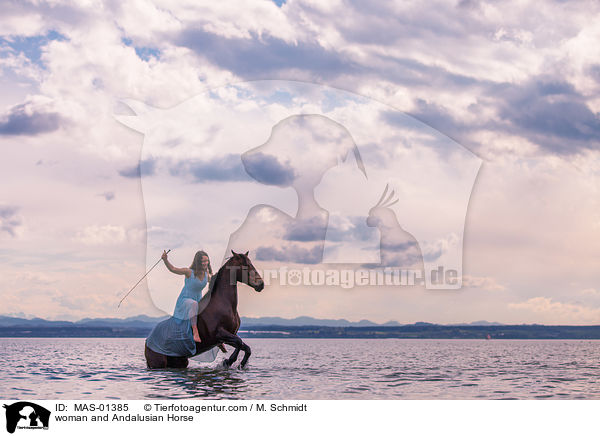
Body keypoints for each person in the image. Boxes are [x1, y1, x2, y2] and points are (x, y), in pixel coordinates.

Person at [145, 250, 214, 357]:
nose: (206, 263)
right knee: (194, 304)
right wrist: (165, 260)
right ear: (198, 262)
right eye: (203, 261)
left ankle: (216, 338)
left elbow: (215, 281)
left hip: (197, 301)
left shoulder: (207, 275)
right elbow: (173, 269)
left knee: (207, 310)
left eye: (207, 261)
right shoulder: (189, 272)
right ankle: (195, 332)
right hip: (185, 301)